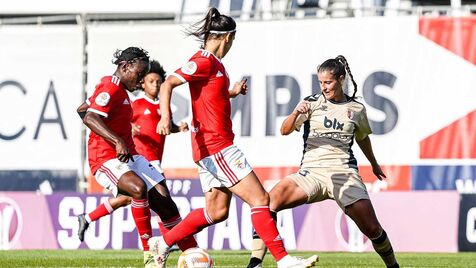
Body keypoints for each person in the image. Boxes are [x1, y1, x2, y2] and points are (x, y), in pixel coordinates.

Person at [148, 7, 318, 268]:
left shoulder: (215, 65)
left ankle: (164, 242)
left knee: (217, 212)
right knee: (261, 200)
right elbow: (168, 83)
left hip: (209, 149)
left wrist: (231, 92)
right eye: (233, 40)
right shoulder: (203, 60)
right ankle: (283, 260)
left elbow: (209, 95)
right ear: (227, 37)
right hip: (218, 147)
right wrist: (164, 117)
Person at [246, 55, 399, 268]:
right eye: (320, 82)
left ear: (341, 79)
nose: (324, 87)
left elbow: (362, 138)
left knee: (372, 229)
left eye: (328, 82)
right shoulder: (311, 103)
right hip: (311, 173)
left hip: (344, 173)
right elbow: (284, 130)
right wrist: (294, 113)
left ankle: (393, 266)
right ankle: (255, 263)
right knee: (267, 202)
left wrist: (373, 164)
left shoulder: (356, 109)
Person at [76, 48, 195, 268]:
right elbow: (91, 116)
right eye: (139, 75)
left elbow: (83, 109)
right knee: (138, 188)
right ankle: (150, 257)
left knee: (166, 205)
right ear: (125, 66)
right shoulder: (111, 85)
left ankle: (194, 254)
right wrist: (116, 140)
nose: (141, 81)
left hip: (132, 156)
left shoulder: (119, 90)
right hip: (105, 158)